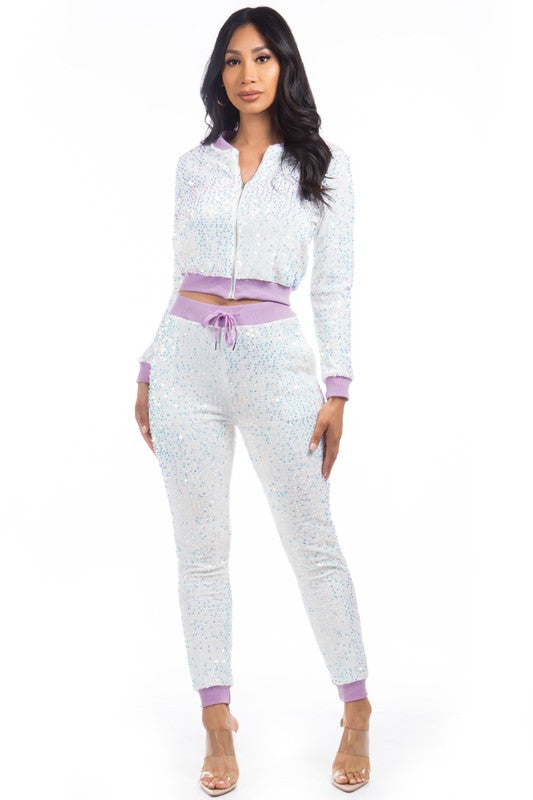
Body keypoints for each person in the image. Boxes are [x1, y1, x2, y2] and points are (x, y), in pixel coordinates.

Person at [134, 7, 372, 795]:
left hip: (276, 368)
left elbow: (333, 286)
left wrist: (337, 388)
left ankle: (356, 707)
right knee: (200, 552)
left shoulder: (321, 166)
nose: (247, 73)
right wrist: (149, 366)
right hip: (184, 363)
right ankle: (215, 721)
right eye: (233, 60)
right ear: (220, 73)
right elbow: (178, 274)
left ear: (284, 67)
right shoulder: (192, 166)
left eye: (262, 57)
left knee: (311, 542)